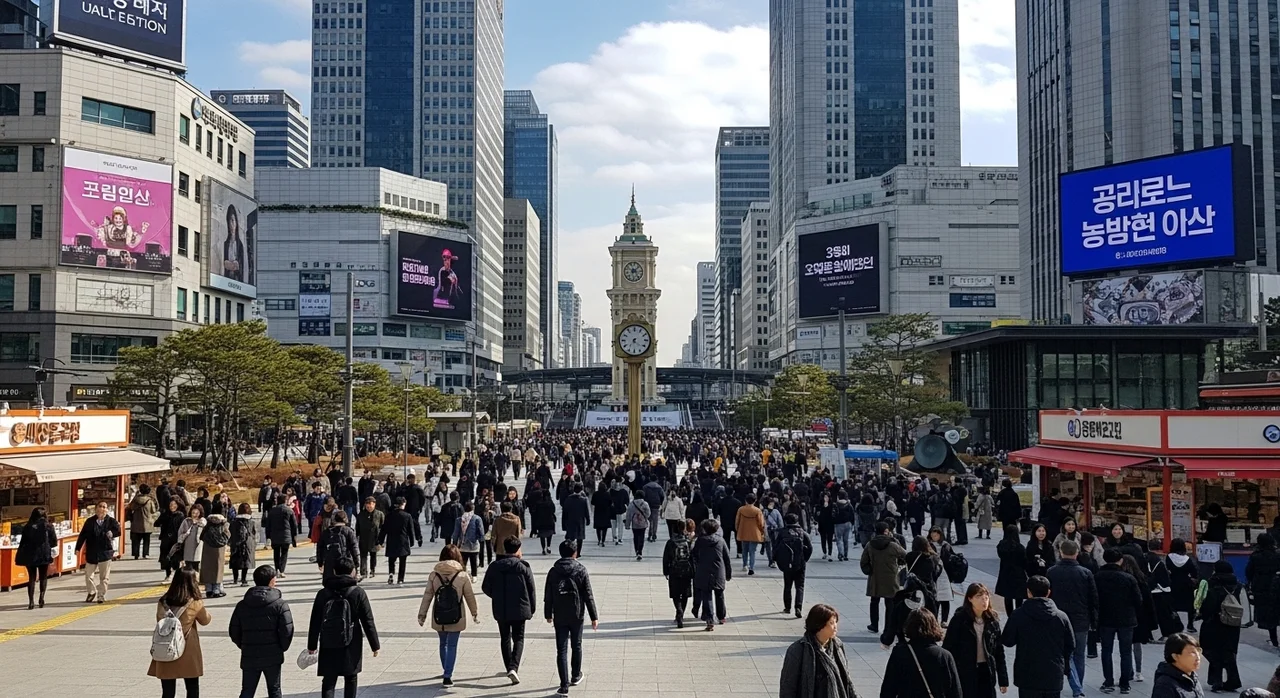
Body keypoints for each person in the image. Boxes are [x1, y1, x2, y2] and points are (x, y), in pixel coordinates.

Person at [306, 560, 380, 698]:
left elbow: (315, 620)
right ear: (352, 572)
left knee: (329, 679)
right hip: (351, 641)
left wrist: (312, 645)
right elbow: (367, 620)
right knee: (351, 678)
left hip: (328, 640)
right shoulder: (358, 592)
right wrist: (375, 645)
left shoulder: (323, 593)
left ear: (334, 572)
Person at [1001, 575, 1076, 698]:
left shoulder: (1018, 615)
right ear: (1048, 592)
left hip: (1027, 674)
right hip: (1053, 674)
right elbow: (1071, 645)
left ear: (1028, 592)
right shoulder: (1061, 617)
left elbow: (1008, 641)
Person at [417, 544, 480, 687]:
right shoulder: (462, 575)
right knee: (452, 645)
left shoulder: (434, 575)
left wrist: (422, 614)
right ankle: (447, 675)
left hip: (439, 614)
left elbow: (428, 595)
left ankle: (445, 668)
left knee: (443, 643)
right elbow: (469, 596)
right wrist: (474, 613)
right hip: (456, 615)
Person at [229, 565, 294, 698]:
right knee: (274, 689)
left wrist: (243, 644)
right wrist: (281, 647)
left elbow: (234, 630)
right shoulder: (280, 604)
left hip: (249, 653)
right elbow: (287, 630)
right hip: (273, 653)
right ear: (271, 581)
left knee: (247, 690)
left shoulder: (242, 604)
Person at [544, 540, 599, 695]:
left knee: (561, 649)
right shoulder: (581, 570)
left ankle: (563, 685)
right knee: (577, 645)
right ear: (575, 553)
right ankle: (575, 675)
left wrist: (548, 614)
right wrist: (594, 616)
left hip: (560, 614)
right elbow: (588, 595)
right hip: (577, 614)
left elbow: (548, 595)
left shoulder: (554, 571)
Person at [1045, 539, 1098, 698]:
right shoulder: (1085, 573)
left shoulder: (1051, 572)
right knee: (1079, 654)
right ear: (1076, 553)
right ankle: (1078, 685)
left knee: (1060, 654)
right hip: (1080, 619)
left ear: (1061, 552)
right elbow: (1093, 599)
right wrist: (1094, 621)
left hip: (1057, 618)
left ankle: (1065, 685)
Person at [148, 569, 211, 698]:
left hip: (167, 647)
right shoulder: (195, 602)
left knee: (168, 692)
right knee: (192, 687)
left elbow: (160, 621)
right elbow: (205, 620)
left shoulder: (163, 601)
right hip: (187, 649)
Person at [482, 536, 537, 684]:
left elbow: (485, 587)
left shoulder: (495, 566)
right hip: (520, 608)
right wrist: (532, 607)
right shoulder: (523, 567)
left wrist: (497, 596)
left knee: (505, 638)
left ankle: (509, 668)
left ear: (505, 549)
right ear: (518, 549)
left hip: (501, 608)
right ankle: (514, 667)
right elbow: (531, 589)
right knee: (518, 638)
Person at [943, 583, 1010, 698]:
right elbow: (948, 649)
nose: (984, 601)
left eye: (986, 597)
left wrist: (1003, 679)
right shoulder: (959, 620)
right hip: (965, 671)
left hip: (987, 671)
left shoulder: (992, 621)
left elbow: (999, 651)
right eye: (979, 597)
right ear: (970, 599)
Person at [778, 604, 858, 698]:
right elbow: (788, 686)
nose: (835, 626)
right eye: (831, 623)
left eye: (836, 622)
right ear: (819, 626)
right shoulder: (798, 650)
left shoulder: (837, 645)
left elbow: (847, 679)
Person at [1096, 547, 1144, 694]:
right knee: (1126, 652)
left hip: (1105, 619)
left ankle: (1108, 681)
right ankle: (1124, 684)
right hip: (1126, 619)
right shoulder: (1129, 578)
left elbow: (1094, 598)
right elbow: (1138, 600)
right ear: (1121, 560)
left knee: (1106, 651)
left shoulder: (1097, 576)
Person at [1199, 559, 1243, 693]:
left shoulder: (1213, 585)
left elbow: (1207, 608)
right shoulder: (1238, 586)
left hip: (1215, 624)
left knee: (1213, 651)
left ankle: (1216, 680)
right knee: (1228, 653)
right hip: (1233, 624)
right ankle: (1233, 680)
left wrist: (1202, 615)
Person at [861, 520, 907, 633]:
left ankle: (874, 625)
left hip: (875, 577)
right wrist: (899, 564)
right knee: (890, 603)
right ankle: (888, 627)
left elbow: (863, 562)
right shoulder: (893, 545)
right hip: (891, 577)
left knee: (874, 601)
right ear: (886, 532)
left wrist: (869, 570)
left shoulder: (870, 544)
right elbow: (906, 555)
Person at [75, 501, 121, 604]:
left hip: (105, 552)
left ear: (107, 510)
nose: (102, 509)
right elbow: (83, 535)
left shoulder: (111, 521)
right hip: (92, 552)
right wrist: (78, 548)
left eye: (104, 507)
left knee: (104, 577)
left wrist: (112, 533)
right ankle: (91, 592)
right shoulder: (90, 521)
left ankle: (101, 595)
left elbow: (118, 531)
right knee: (88, 574)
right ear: (96, 509)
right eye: (100, 506)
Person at [693, 517, 734, 630]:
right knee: (719, 594)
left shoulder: (700, 541)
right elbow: (726, 558)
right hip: (718, 571)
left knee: (706, 595)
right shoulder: (721, 540)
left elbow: (694, 555)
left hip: (704, 570)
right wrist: (728, 572)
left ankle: (709, 620)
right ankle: (721, 616)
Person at [14, 508, 57, 609]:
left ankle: (31, 601)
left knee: (31, 578)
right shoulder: (48, 526)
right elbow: (54, 541)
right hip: (44, 554)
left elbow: (22, 542)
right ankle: (41, 598)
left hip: (30, 555)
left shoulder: (27, 526)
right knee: (43, 577)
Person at [775, 512, 815, 618]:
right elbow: (810, 548)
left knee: (787, 585)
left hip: (787, 563)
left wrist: (776, 559)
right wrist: (804, 559)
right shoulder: (802, 533)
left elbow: (775, 547)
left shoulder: (782, 533)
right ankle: (798, 607)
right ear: (797, 521)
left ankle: (787, 607)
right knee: (800, 586)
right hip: (800, 563)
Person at [663, 518, 697, 627]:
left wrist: (666, 571)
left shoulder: (671, 542)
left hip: (674, 570)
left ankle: (679, 610)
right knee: (685, 593)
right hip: (686, 570)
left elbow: (666, 558)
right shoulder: (688, 542)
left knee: (675, 593)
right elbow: (693, 558)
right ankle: (681, 612)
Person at [1247, 533, 1280, 647]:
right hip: (1277, 586)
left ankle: (1274, 639)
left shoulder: (1256, 556)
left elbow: (1249, 572)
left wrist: (1250, 584)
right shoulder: (1277, 554)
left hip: (1261, 587)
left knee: (1268, 614)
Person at [1150, 633, 1204, 698]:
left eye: (1198, 651)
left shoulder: (1192, 677)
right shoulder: (1165, 686)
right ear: (1175, 656)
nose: (1198, 657)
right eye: (1192, 653)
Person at [379, 496, 414, 585]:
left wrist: (380, 540)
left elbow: (384, 529)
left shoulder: (389, 515)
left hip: (392, 539)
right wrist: (412, 541)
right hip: (403, 541)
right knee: (403, 561)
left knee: (392, 559)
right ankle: (400, 578)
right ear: (403, 504)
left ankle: (391, 573)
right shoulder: (407, 516)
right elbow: (410, 530)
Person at [996, 523, 1028, 617]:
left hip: (1005, 573)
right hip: (1018, 574)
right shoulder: (1020, 547)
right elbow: (1024, 562)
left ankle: (1009, 616)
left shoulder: (1001, 546)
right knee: (1019, 597)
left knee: (1007, 596)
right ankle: (1017, 615)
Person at [1166, 538, 1198, 633]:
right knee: (1190, 605)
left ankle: (1175, 623)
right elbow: (1194, 572)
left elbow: (1167, 569)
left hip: (1173, 582)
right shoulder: (1187, 559)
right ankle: (1190, 625)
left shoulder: (1169, 557)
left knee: (1173, 604)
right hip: (1186, 583)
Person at [265, 494, 297, 579]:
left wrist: (268, 536)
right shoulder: (289, 510)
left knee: (276, 553)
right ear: (286, 501)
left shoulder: (272, 511)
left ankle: (277, 569)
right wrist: (294, 536)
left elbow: (268, 525)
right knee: (284, 553)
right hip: (286, 535)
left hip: (274, 535)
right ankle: (282, 570)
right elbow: (294, 525)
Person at [199, 511, 230, 598]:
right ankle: (216, 589)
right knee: (218, 569)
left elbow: (201, 537)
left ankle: (209, 589)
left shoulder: (207, 527)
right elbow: (227, 535)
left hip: (207, 550)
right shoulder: (222, 527)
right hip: (219, 550)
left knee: (207, 568)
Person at [735, 493, 767, 575]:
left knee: (744, 550)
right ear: (755, 501)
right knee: (752, 551)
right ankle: (751, 567)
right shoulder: (757, 511)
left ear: (745, 500)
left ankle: (744, 565)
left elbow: (737, 521)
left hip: (743, 531)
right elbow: (761, 523)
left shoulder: (741, 509)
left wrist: (738, 529)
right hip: (754, 532)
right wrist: (762, 531)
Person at [228, 503, 258, 587]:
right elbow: (254, 532)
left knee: (235, 561)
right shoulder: (251, 521)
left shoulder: (234, 522)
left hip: (236, 543)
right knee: (246, 561)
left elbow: (230, 532)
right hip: (247, 543)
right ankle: (244, 579)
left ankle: (235, 579)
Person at [355, 497, 385, 580]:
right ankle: (363, 572)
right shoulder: (361, 515)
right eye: (367, 507)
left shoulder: (379, 514)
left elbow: (383, 528)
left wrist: (382, 541)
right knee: (363, 556)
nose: (369, 508)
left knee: (373, 555)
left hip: (375, 538)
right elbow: (357, 527)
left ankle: (372, 570)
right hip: (363, 538)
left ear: (374, 504)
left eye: (371, 506)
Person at [127, 484, 160, 559]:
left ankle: (136, 554)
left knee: (136, 540)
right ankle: (145, 554)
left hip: (136, 523)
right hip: (147, 523)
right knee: (146, 540)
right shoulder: (149, 501)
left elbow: (131, 507)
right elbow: (153, 510)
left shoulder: (135, 500)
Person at [157, 499, 186, 582]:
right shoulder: (166, 514)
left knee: (175, 558)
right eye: (170, 505)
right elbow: (156, 523)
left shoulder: (180, 516)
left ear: (178, 505)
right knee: (165, 558)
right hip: (165, 539)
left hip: (175, 540)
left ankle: (174, 575)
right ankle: (168, 574)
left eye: (174, 504)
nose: (172, 506)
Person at [562, 483, 591, 556]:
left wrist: (563, 524)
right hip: (580, 521)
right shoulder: (583, 500)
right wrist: (588, 520)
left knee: (570, 537)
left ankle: (569, 551)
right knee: (580, 537)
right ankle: (578, 553)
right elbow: (586, 511)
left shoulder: (568, 499)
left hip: (570, 521)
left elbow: (564, 512)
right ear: (581, 490)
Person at [625, 489, 652, 561]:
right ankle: (640, 551)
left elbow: (628, 515)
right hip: (642, 523)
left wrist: (627, 524)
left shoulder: (631, 504)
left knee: (636, 537)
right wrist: (645, 517)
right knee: (642, 537)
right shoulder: (645, 503)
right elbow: (648, 513)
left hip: (634, 524)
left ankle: (636, 550)